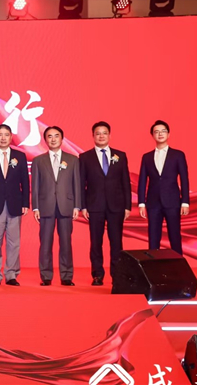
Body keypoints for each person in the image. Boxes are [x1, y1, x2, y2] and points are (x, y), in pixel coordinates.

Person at [79, 121, 131, 286]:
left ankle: (117, 275)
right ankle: (97, 274)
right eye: (98, 133)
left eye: (104, 133)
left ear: (109, 135)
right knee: (96, 242)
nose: (101, 136)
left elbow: (126, 182)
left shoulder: (120, 155)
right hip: (94, 206)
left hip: (116, 206)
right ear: (93, 136)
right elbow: (81, 184)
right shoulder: (85, 157)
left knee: (116, 242)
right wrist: (83, 206)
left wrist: (127, 206)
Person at [31, 126, 81, 286]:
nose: (53, 139)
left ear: (62, 138)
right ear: (45, 140)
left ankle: (66, 276)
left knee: (66, 243)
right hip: (45, 206)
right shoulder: (38, 160)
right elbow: (35, 186)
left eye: (56, 136)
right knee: (45, 243)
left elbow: (77, 184)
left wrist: (77, 206)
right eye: (50, 136)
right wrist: (35, 207)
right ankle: (46, 276)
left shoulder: (73, 160)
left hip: (66, 205)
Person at [0, 124, 29, 286]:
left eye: (6, 135)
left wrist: (25, 203)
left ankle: (11, 274)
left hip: (15, 204)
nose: (3, 138)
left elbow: (25, 181)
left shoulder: (20, 156)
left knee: (14, 242)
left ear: (11, 137)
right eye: (0, 135)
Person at [138, 120, 190, 254]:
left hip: (173, 202)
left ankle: (177, 266)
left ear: (168, 134)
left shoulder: (178, 155)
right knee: (153, 239)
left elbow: (184, 179)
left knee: (175, 238)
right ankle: (153, 267)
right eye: (156, 132)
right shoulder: (147, 157)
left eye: (163, 131)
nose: (160, 134)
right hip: (153, 203)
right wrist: (141, 203)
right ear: (152, 135)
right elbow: (142, 180)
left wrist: (185, 201)